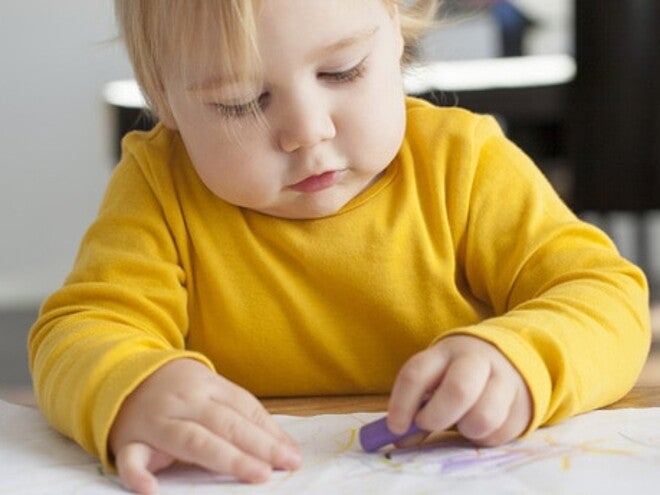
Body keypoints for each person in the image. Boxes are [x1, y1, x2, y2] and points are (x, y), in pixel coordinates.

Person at [28, 0, 650, 494]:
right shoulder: (161, 187)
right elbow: (80, 329)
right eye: (241, 103)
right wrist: (132, 387)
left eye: (342, 71)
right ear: (166, 104)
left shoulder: (461, 163)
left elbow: (606, 295)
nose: (308, 131)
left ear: (397, 36)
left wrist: (522, 360)